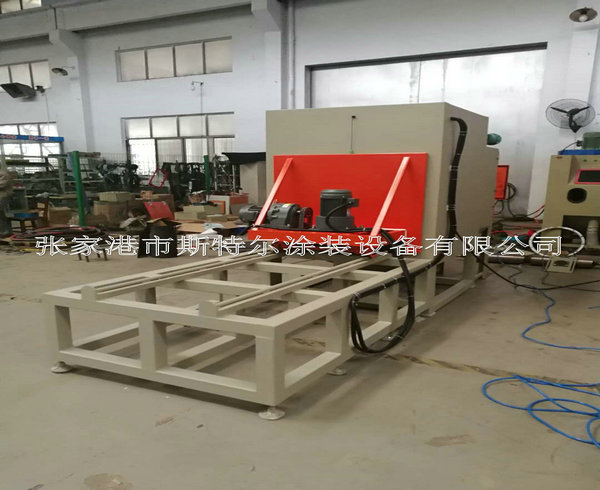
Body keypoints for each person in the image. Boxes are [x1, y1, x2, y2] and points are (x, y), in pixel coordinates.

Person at [0, 156, 13, 237]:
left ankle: (5, 232)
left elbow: (1, 185)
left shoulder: (3, 174)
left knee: (1, 214)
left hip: (3, 197)